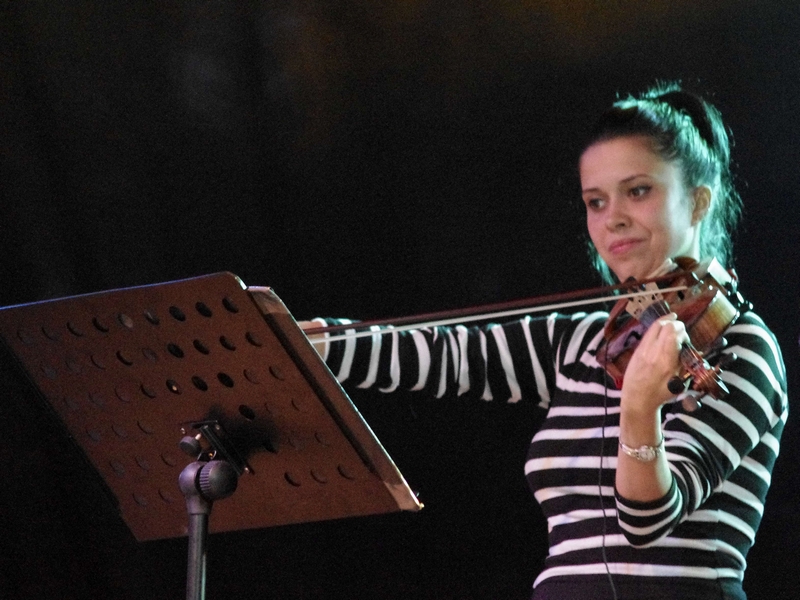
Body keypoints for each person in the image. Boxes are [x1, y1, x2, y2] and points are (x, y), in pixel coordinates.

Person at [302, 83, 787, 599]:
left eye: (638, 191)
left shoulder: (738, 344)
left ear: (697, 202)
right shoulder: (579, 343)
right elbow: (446, 355)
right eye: (595, 202)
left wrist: (639, 406)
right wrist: (319, 342)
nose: (613, 217)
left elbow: (647, 519)